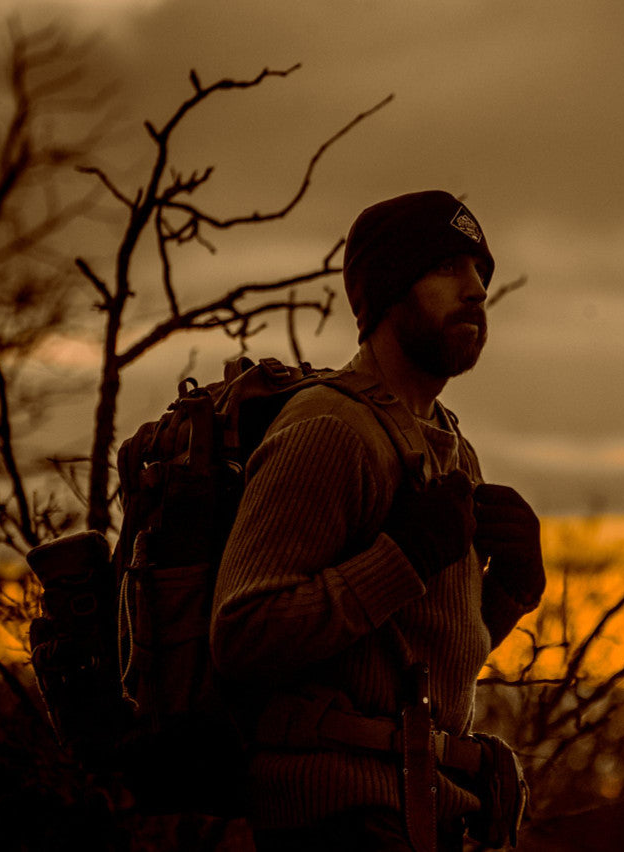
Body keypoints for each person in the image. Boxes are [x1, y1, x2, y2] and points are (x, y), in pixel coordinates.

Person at [210, 190, 544, 851]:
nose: (476, 290)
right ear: (390, 288)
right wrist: (404, 556)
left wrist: (508, 593)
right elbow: (243, 633)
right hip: (335, 823)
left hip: (420, 817)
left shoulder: (451, 447)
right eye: (447, 267)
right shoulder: (330, 429)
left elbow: (406, 657)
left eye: (480, 272)